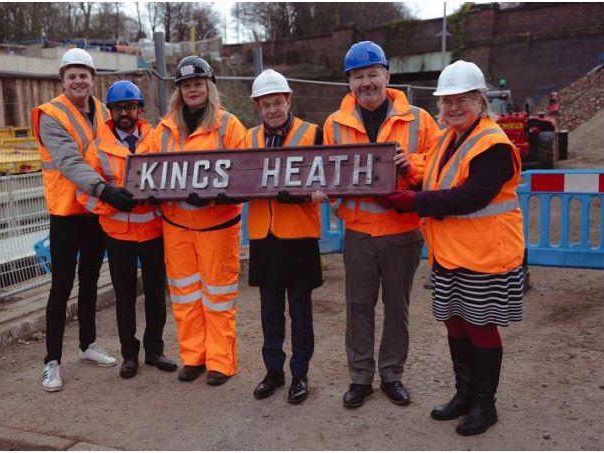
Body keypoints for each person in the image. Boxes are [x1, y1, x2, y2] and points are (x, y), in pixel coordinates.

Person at [378, 60, 525, 436]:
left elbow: (470, 196)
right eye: (446, 102)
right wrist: (408, 172)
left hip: (484, 254)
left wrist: (412, 201)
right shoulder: (447, 138)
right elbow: (432, 175)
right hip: (451, 253)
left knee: (480, 327)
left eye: (462, 100)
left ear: (480, 100)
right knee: (455, 323)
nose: (453, 108)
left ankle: (484, 405)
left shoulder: (493, 144)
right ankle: (464, 394)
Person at [318, 41, 439, 409]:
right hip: (359, 233)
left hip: (403, 232)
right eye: (358, 76)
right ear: (348, 83)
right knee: (358, 307)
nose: (366, 82)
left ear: (387, 76)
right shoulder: (334, 124)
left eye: (373, 74)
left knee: (397, 308)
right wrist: (325, 192)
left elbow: (437, 172)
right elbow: (327, 172)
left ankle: (392, 375)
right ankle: (359, 378)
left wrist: (410, 166)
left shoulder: (419, 119)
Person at [138, 56, 247, 386]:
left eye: (198, 84)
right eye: (186, 86)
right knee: (185, 297)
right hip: (177, 228)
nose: (193, 90)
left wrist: (216, 195)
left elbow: (245, 177)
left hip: (217, 227)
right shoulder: (166, 130)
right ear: (179, 91)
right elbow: (143, 169)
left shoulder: (229, 126)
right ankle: (194, 358)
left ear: (209, 87)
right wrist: (151, 193)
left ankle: (220, 363)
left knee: (218, 298)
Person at [32, 48, 136, 392]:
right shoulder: (51, 114)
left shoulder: (105, 111)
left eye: (84, 75)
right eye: (72, 75)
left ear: (93, 78)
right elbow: (69, 161)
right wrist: (106, 191)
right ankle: (52, 361)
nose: (78, 81)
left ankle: (87, 345)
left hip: (94, 212)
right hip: (66, 212)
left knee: (91, 279)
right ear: (63, 79)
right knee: (61, 285)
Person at [77, 80, 178, 379]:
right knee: (124, 296)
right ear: (110, 111)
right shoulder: (97, 149)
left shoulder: (157, 140)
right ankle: (129, 355)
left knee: (157, 295)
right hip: (118, 234)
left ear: (139, 110)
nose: (124, 113)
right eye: (118, 108)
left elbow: (173, 175)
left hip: (154, 232)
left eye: (130, 107)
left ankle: (155, 350)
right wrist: (112, 202)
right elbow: (84, 194)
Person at [245, 69, 323, 404]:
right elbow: (237, 179)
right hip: (264, 236)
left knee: (301, 312)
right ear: (257, 106)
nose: (273, 109)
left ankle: (300, 374)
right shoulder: (247, 139)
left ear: (289, 100)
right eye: (267, 104)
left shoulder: (313, 133)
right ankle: (273, 371)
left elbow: (328, 182)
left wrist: (305, 195)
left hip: (300, 236)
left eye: (278, 102)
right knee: (269, 310)